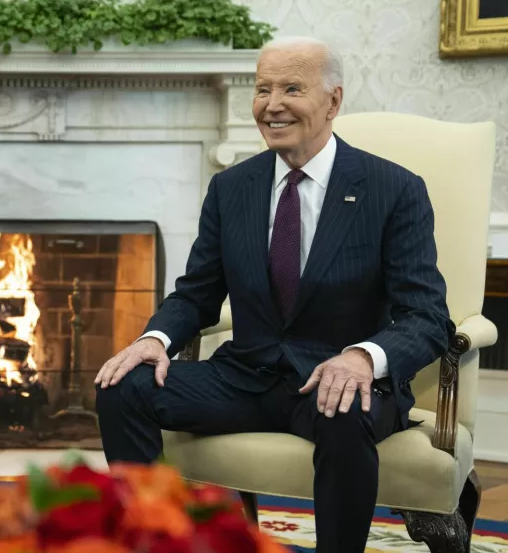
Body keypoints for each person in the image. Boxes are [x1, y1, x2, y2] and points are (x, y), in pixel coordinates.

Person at [94, 36, 454, 553]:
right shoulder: (231, 188)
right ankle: (153, 541)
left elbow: (427, 315)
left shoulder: (393, 189)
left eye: (291, 89)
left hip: (336, 382)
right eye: (263, 89)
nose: (272, 104)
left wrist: (361, 358)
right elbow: (196, 294)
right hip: (245, 378)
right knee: (123, 387)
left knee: (344, 410)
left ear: (332, 101)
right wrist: (155, 339)